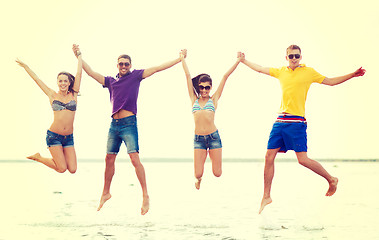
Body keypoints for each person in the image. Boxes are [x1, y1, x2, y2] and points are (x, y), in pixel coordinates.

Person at [240, 44, 366, 214]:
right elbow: (261, 69)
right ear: (286, 58)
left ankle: (331, 179)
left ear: (300, 57)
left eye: (296, 56)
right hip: (280, 121)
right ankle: (266, 196)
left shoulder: (308, 72)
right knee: (268, 156)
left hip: (297, 122)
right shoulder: (281, 71)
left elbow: (330, 82)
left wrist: (352, 75)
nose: (293, 59)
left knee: (303, 160)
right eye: (291, 56)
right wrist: (243, 60)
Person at [73, 45, 184, 215]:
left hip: (129, 124)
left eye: (126, 64)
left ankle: (145, 195)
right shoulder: (110, 81)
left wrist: (179, 59)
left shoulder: (135, 76)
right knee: (109, 159)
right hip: (114, 126)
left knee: (134, 158)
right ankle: (106, 192)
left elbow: (157, 68)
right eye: (121, 64)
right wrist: (79, 55)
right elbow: (90, 72)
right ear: (117, 65)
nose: (123, 66)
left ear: (130, 66)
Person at [180, 49, 244, 190]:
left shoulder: (214, 99)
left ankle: (212, 155)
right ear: (198, 87)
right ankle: (200, 177)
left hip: (214, 137)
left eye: (207, 87)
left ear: (210, 87)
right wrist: (182, 58)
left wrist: (238, 61)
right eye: (201, 87)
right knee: (197, 174)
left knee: (217, 173)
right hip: (198, 139)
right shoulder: (193, 99)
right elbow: (187, 75)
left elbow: (225, 76)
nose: (204, 90)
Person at [16, 45, 82, 173]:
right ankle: (39, 157)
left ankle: (52, 159)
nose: (63, 83)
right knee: (62, 168)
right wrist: (26, 67)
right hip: (54, 136)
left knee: (73, 169)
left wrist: (79, 55)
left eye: (65, 81)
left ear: (69, 83)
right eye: (60, 81)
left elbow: (79, 73)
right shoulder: (52, 95)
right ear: (57, 82)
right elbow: (37, 79)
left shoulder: (73, 94)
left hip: (68, 137)